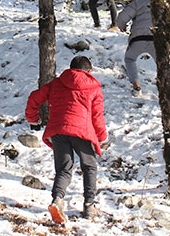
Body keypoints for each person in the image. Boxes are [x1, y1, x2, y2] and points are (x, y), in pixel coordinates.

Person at [25, 56, 108, 223]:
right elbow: (97, 116)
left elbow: (34, 97)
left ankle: (57, 200)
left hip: (58, 130)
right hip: (82, 131)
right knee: (89, 167)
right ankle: (89, 205)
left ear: (71, 69)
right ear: (89, 71)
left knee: (63, 169)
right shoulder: (94, 87)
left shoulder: (56, 83)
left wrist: (33, 119)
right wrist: (101, 137)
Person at [115, 0, 156, 97]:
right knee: (162, 63)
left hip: (138, 39)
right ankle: (165, 85)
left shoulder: (137, 4)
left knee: (130, 59)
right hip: (156, 40)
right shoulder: (160, 4)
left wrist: (122, 26)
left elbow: (121, 18)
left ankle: (136, 85)